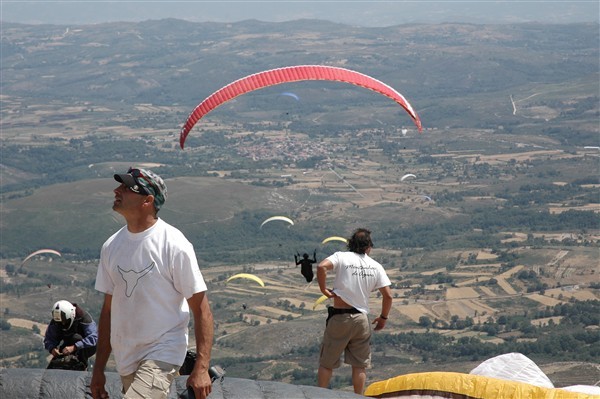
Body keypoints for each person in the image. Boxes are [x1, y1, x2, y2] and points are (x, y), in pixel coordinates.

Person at [90, 167, 214, 399]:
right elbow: (108, 311)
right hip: (126, 359)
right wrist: (98, 370)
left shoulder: (174, 245)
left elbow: (202, 309)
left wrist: (202, 368)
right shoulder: (111, 246)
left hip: (162, 354)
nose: (117, 190)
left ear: (147, 200)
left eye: (127, 188)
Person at [316, 228, 393, 395]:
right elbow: (388, 296)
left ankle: (319, 395)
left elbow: (322, 266)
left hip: (340, 317)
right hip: (361, 319)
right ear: (368, 247)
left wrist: (324, 290)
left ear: (351, 244)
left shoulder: (341, 257)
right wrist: (383, 318)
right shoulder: (376, 266)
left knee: (327, 363)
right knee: (360, 365)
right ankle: (358, 396)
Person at [44, 300, 98, 370]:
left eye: (64, 322)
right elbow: (49, 339)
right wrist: (52, 349)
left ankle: (82, 365)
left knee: (76, 338)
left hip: (87, 346)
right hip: (68, 343)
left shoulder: (83, 317)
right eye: (59, 323)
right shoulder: (56, 321)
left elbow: (93, 338)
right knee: (56, 363)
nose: (62, 325)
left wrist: (74, 347)